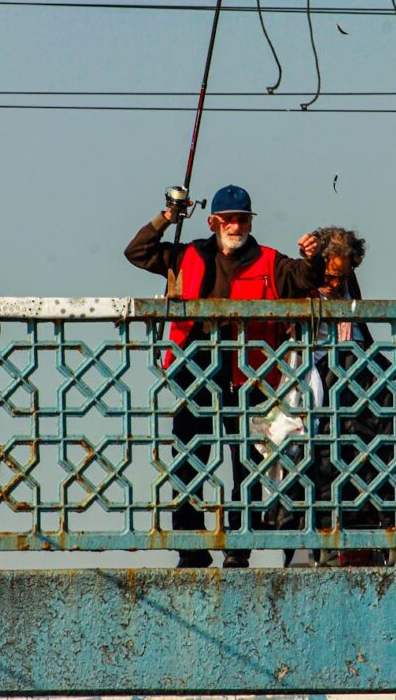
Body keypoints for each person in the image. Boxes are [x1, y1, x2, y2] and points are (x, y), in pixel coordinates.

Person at [124, 184, 324, 568]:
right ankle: (190, 546)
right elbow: (137, 252)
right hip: (195, 374)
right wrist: (167, 217)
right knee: (186, 458)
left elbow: (301, 278)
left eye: (243, 220)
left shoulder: (270, 260)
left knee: (246, 464)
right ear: (213, 221)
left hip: (249, 379)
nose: (236, 226)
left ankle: (238, 545)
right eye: (229, 220)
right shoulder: (190, 254)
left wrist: (311, 257)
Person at [279, 227, 396, 566]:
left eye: (343, 277)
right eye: (332, 276)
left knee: (389, 428)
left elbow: (358, 332)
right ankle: (310, 524)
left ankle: (380, 515)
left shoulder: (348, 286)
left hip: (351, 378)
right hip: (312, 378)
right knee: (316, 444)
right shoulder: (300, 282)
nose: (336, 284)